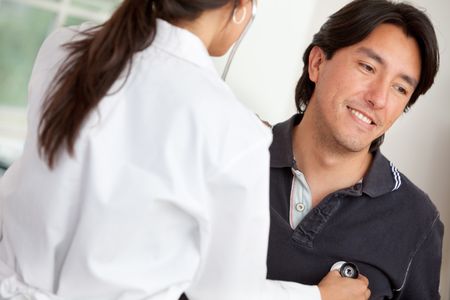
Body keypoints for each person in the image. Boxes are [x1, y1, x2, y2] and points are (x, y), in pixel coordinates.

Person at [0, 0, 371, 299]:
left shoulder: (65, 47)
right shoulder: (234, 130)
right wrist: (320, 297)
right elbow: (224, 294)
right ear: (241, 9)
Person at [266, 0, 444, 299]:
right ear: (317, 63)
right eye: (368, 67)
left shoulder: (417, 221)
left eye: (400, 88)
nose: (379, 99)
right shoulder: (232, 156)